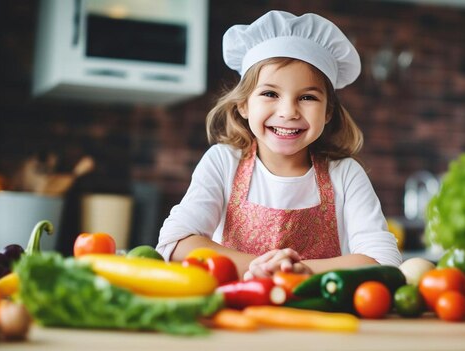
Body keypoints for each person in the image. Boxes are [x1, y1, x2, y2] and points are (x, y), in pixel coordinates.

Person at [156, 10, 402, 279]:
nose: (288, 112)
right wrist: (262, 266)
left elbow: (384, 261)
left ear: (328, 111)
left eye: (307, 97)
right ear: (244, 104)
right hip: (238, 315)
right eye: (270, 93)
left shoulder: (345, 174)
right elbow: (176, 243)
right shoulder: (222, 162)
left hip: (317, 318)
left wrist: (303, 270)